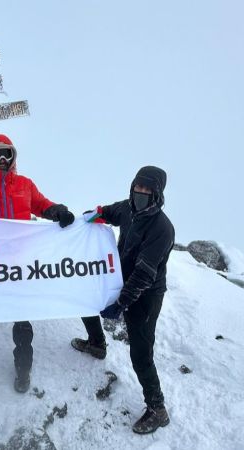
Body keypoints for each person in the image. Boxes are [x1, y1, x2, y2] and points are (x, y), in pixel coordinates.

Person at [0, 133, 76, 393]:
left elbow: (40, 204)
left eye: (7, 154)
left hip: (19, 264)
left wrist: (57, 211)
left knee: (22, 316)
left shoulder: (24, 184)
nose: (2, 160)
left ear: (13, 157)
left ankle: (23, 367)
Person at [71, 166, 175, 435]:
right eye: (138, 187)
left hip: (146, 294)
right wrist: (86, 220)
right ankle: (96, 343)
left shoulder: (162, 228)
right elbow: (105, 212)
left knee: (140, 352)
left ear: (157, 193)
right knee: (88, 300)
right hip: (118, 277)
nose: (141, 193)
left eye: (148, 190)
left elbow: (144, 274)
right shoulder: (128, 208)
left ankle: (157, 408)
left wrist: (121, 303)